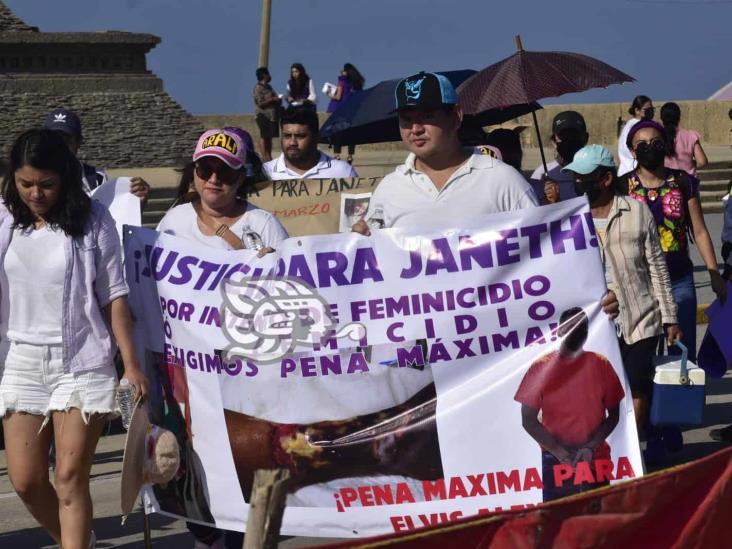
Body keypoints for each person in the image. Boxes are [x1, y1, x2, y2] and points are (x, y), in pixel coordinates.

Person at [352, 71, 619, 318]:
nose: (415, 129)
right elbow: (375, 278)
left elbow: (545, 259)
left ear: (456, 115)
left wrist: (590, 298)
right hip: (418, 352)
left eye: (428, 116)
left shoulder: (503, 180)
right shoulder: (388, 190)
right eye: (406, 120)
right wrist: (356, 246)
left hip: (491, 348)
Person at [0, 129, 148, 549]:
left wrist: (131, 364)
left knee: (69, 479)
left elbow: (114, 296)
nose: (35, 193)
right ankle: (80, 541)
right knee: (27, 481)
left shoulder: (93, 219)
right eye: (26, 183)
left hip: (82, 363)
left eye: (46, 184)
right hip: (19, 362)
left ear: (63, 176)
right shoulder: (4, 217)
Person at [157, 128, 289, 548]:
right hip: (192, 379)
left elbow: (291, 298)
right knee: (200, 479)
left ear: (241, 175)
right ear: (193, 172)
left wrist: (271, 267)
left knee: (247, 476)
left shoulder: (263, 224)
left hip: (248, 379)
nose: (213, 180)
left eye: (225, 172)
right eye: (205, 169)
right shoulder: (174, 221)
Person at [562, 144, 680, 445]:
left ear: (604, 179)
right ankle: (608, 449)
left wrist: (670, 317)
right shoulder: (570, 220)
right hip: (596, 323)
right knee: (602, 390)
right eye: (575, 176)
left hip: (640, 316)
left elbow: (657, 267)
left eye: (584, 176)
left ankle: (632, 451)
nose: (579, 182)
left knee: (639, 384)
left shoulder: (636, 211)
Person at [623, 120, 727, 361]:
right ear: (632, 150)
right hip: (639, 284)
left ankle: (680, 398)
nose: (649, 147)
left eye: (656, 142)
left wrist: (713, 273)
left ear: (666, 145)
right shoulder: (623, 187)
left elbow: (700, 231)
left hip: (679, 280)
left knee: (681, 353)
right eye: (642, 144)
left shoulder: (682, 182)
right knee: (642, 357)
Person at [514, 307, 625, 502]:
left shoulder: (601, 364)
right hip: (555, 461)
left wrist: (590, 447)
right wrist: (561, 454)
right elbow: (528, 420)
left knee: (597, 518)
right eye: (570, 327)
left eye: (581, 328)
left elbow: (614, 414)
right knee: (559, 521)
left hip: (595, 458)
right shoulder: (541, 368)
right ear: (559, 332)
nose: (576, 332)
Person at [42, 108, 151, 205]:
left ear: (79, 142)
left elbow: (113, 217)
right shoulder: (33, 177)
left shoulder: (97, 178)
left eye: (66, 140)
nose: (60, 146)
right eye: (54, 139)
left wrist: (136, 204)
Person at [263, 107, 358, 180]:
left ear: (317, 137)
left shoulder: (343, 172)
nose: (292, 142)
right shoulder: (265, 173)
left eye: (300, 136)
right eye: (287, 136)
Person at [529, 111, 589, 204]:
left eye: (574, 135)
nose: (569, 140)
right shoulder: (541, 173)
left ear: (585, 138)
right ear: (553, 141)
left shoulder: (596, 172)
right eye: (563, 136)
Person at [326, 63, 365, 163]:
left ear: (346, 72)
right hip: (352, 109)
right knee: (351, 133)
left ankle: (337, 155)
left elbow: (338, 97)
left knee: (337, 132)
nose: (341, 72)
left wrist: (329, 94)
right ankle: (350, 156)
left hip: (340, 110)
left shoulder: (342, 81)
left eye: (342, 70)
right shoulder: (357, 82)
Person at [661, 102, 708, 176]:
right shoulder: (690, 135)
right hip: (687, 181)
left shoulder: (657, 136)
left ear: (662, 118)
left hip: (666, 182)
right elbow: (702, 162)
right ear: (679, 117)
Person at [618, 95, 654, 177]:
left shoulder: (630, 124)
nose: (651, 112)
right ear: (637, 110)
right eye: (647, 110)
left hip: (625, 171)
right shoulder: (637, 126)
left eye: (652, 109)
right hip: (634, 172)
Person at [252, 67, 281, 162]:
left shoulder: (269, 87)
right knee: (264, 136)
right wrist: (272, 100)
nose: (270, 75)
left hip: (272, 116)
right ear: (264, 75)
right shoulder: (258, 88)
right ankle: (264, 157)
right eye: (268, 73)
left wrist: (277, 100)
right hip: (263, 115)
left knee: (269, 137)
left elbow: (274, 97)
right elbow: (260, 104)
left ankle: (269, 156)